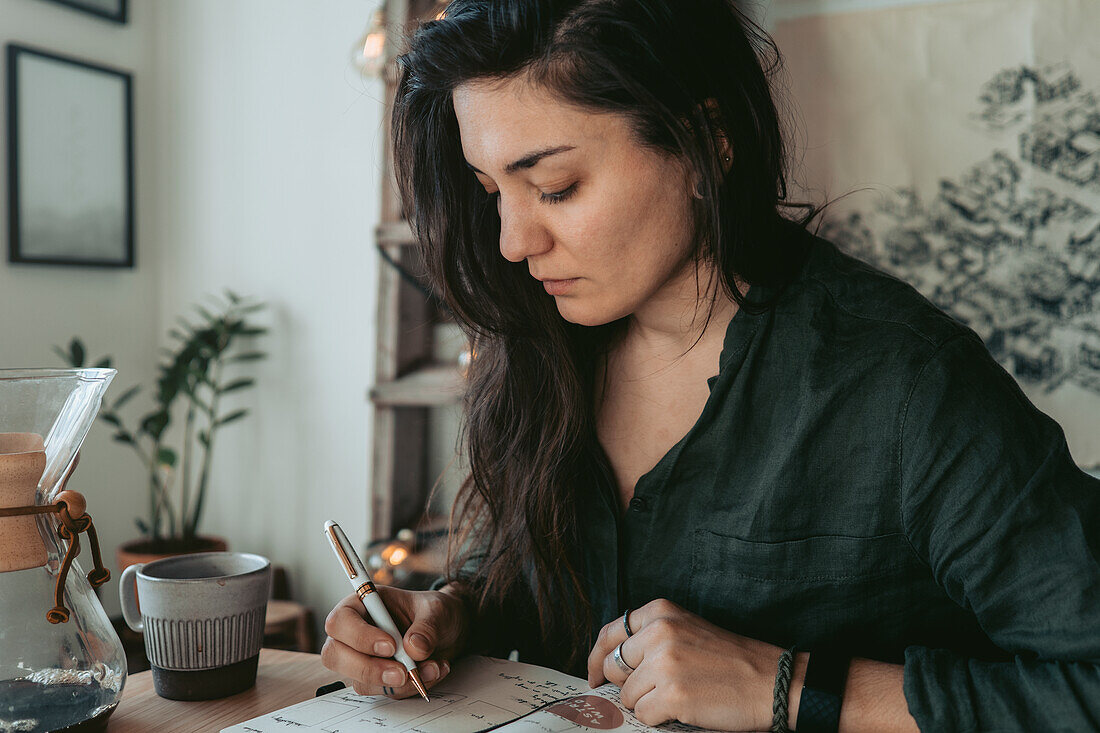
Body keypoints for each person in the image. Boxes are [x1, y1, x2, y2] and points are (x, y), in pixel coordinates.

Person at [322, 1, 1100, 730]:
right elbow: (538, 570)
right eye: (492, 190)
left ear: (706, 144)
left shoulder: (907, 383)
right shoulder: (545, 346)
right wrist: (452, 610)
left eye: (555, 187)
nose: (514, 242)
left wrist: (788, 685)